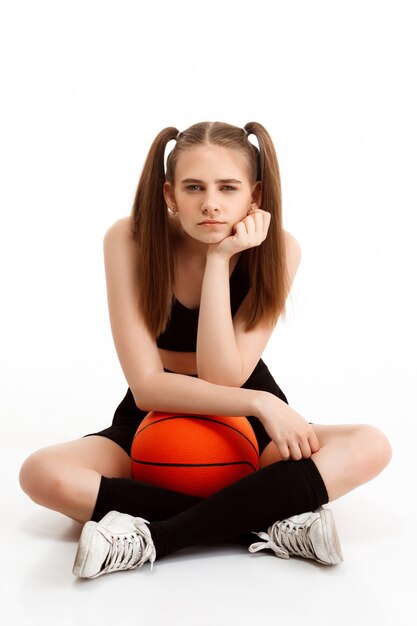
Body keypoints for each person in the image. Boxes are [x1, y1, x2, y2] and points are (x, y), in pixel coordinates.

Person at [19, 121, 392, 579]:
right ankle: (272, 516)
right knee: (41, 474)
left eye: (227, 187)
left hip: (247, 423)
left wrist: (220, 260)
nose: (210, 203)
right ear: (170, 195)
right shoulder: (129, 239)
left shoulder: (280, 250)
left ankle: (155, 538)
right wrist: (261, 400)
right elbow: (149, 387)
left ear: (253, 195)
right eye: (193, 187)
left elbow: (223, 375)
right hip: (160, 411)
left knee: (370, 445)